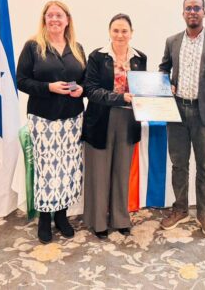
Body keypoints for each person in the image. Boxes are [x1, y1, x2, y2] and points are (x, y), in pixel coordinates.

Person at [159, 0, 205, 237]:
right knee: (179, 164)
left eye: (197, 8)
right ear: (183, 13)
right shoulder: (172, 41)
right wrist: (165, 84)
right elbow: (163, 69)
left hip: (204, 113)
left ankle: (204, 213)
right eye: (188, 8)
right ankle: (180, 209)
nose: (192, 12)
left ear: (204, 13)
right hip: (177, 112)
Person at [17, 1, 86, 244]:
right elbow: (21, 81)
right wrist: (48, 87)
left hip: (73, 120)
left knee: (68, 168)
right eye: (50, 15)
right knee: (47, 170)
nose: (54, 19)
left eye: (59, 15)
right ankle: (44, 219)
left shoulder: (77, 48)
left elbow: (86, 81)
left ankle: (62, 216)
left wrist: (82, 89)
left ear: (67, 20)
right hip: (43, 119)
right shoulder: (33, 46)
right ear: (44, 19)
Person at [82, 13, 147, 240]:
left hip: (128, 121)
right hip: (101, 119)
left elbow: (144, 90)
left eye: (124, 31)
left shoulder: (140, 58)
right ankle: (98, 221)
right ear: (109, 32)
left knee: (122, 171)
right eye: (116, 30)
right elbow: (90, 90)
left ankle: (120, 219)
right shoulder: (97, 57)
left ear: (131, 33)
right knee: (99, 172)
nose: (120, 35)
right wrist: (120, 98)